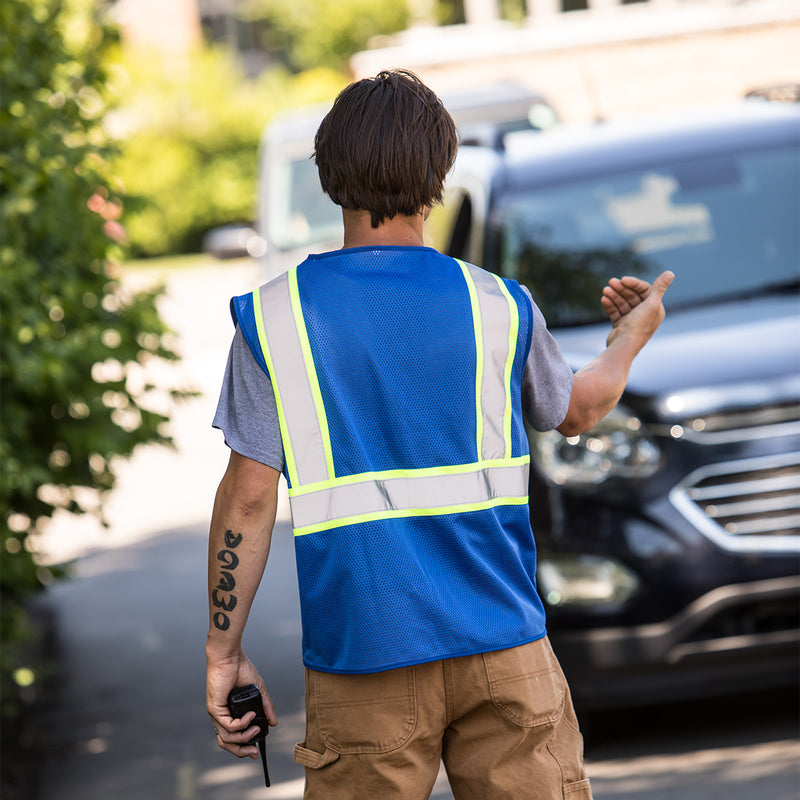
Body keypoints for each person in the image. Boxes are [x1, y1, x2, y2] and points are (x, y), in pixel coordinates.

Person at [206, 69, 673, 800]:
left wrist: (223, 650)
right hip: (505, 647)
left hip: (365, 658)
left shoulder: (274, 320)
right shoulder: (499, 306)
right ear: (439, 178)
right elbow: (577, 411)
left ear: (330, 176)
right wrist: (630, 338)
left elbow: (248, 498)